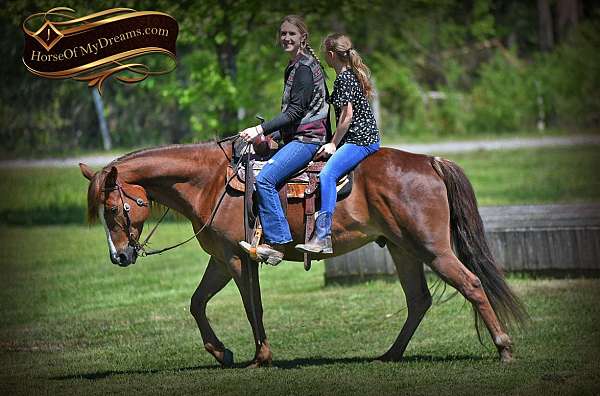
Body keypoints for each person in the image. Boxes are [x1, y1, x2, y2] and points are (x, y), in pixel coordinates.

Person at [238, 15, 330, 265]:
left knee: (265, 179)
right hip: (298, 136)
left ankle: (277, 243)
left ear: (303, 38)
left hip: (308, 140)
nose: (286, 38)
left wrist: (260, 129)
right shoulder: (294, 66)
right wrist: (270, 135)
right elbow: (294, 118)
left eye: (292, 34)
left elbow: (295, 113)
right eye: (283, 34)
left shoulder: (303, 69)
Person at [296, 33, 380, 254]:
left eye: (326, 55)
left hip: (360, 141)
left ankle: (322, 236)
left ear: (332, 55)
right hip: (363, 138)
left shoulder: (344, 79)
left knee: (327, 175)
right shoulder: (350, 74)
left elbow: (347, 116)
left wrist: (333, 144)